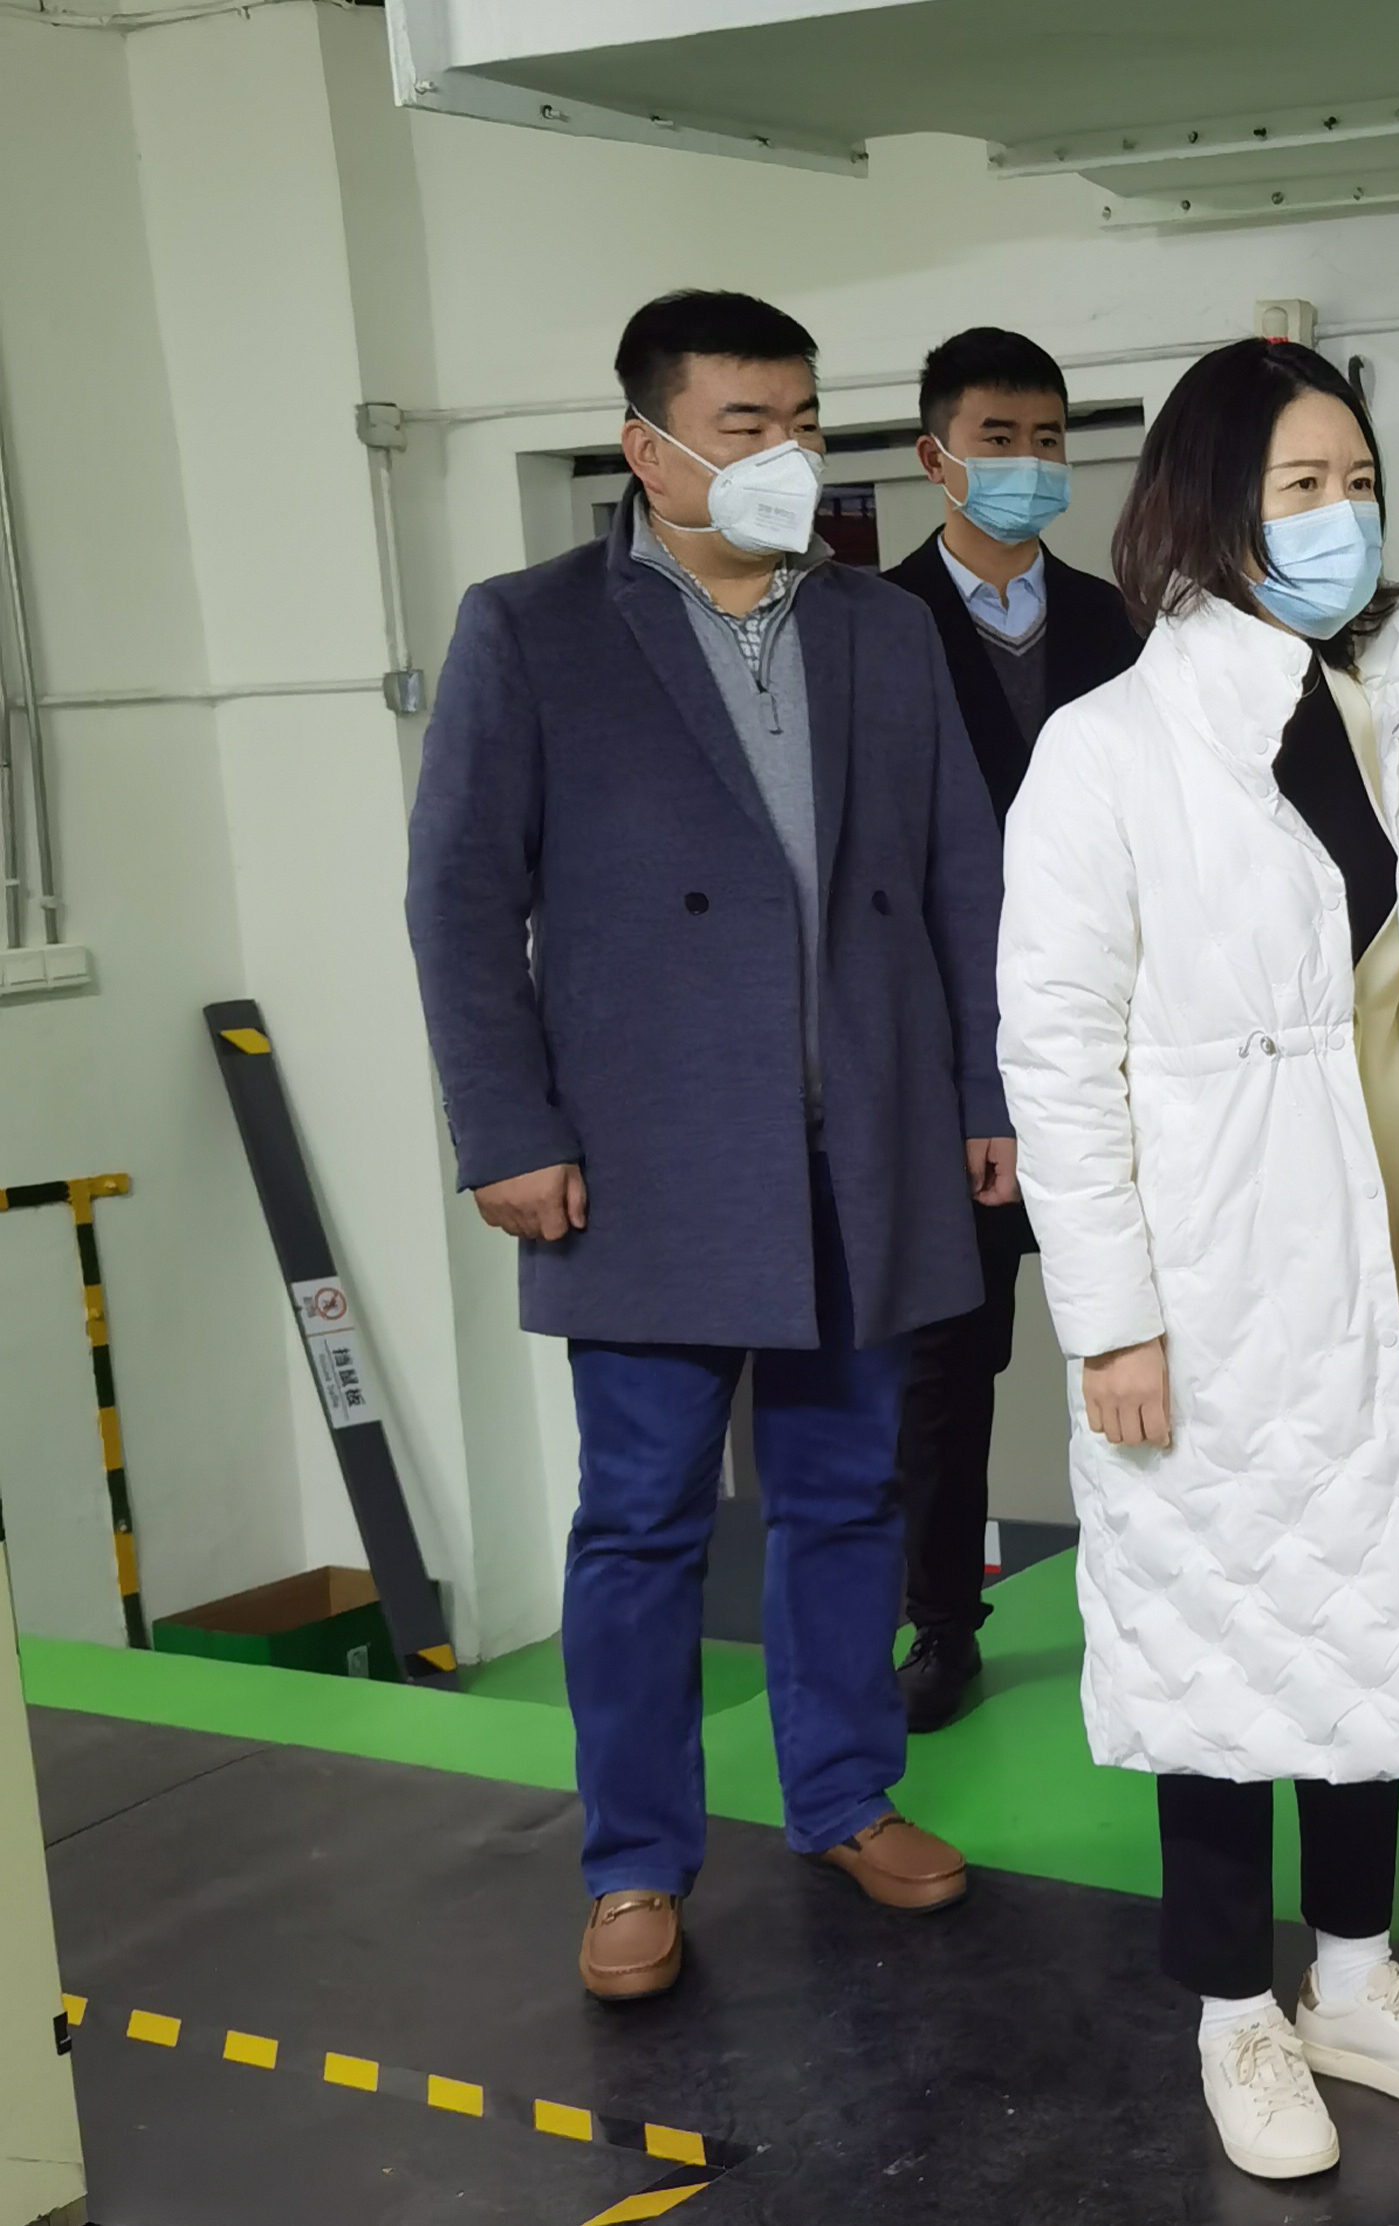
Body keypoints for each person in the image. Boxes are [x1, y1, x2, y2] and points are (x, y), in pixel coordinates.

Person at [406, 290, 1013, 2002]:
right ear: (649, 445)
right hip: (646, 1156)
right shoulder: (532, 626)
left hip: (864, 1141)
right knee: (643, 1519)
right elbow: (460, 898)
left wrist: (987, 1094)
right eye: (745, 425)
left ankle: (843, 1795)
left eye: (802, 420)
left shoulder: (882, 628)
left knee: (846, 1495)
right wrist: (505, 1128)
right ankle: (631, 1863)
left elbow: (965, 876)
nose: (784, 454)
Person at [1000, 338, 1399, 2181]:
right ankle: (1236, 2012)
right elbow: (1056, 1055)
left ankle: (1357, 1979)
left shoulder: (1381, 706)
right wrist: (1111, 1319)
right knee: (1226, 1644)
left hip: (1395, 1244)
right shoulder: (1106, 749)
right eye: (1301, 485)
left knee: (1368, 1607)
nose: (1340, 515)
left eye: (1355, 482)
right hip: (1222, 1284)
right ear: (1214, 506)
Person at [881, 325, 1143, 1732]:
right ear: (937, 457)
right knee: (947, 1366)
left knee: (1142, 1330)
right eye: (999, 439)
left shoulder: (1121, 619)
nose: (1029, 463)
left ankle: (1156, 1598)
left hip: (1115, 1048)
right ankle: (942, 1623)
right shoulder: (871, 625)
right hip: (947, 1063)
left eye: (1049, 439)